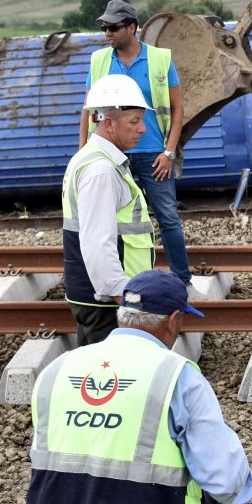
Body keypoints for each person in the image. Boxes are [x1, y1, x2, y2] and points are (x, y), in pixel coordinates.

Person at [22, 269, 252, 504]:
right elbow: (227, 483)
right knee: (216, 473)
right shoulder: (178, 377)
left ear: (123, 315)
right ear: (174, 320)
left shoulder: (58, 368)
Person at [82, 0, 191, 281]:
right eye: (104, 27)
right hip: (110, 157)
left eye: (113, 27)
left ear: (132, 28)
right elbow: (88, 109)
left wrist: (169, 153)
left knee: (168, 220)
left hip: (154, 154)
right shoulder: (99, 61)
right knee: (111, 222)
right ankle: (124, 278)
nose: (107, 33)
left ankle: (181, 279)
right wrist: (83, 153)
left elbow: (178, 108)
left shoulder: (160, 59)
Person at [65, 73, 156, 346]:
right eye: (134, 121)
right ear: (108, 123)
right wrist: (125, 301)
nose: (142, 129)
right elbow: (97, 243)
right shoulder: (101, 171)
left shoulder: (98, 160)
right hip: (109, 303)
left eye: (142, 120)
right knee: (111, 381)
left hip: (103, 297)